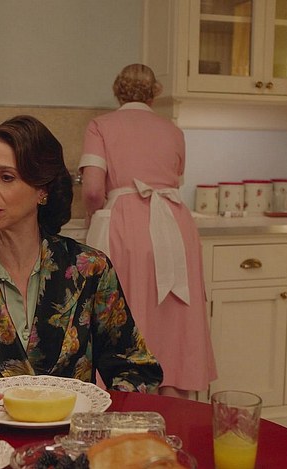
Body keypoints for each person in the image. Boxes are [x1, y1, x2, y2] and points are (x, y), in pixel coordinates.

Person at [0, 115, 163, 415]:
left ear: (42, 190)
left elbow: (135, 369)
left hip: (70, 438)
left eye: (6, 177)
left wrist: (102, 425)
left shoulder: (90, 269)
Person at [79, 64, 217, 398]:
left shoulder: (101, 126)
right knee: (174, 315)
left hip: (127, 226)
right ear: (154, 93)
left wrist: (93, 214)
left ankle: (128, 400)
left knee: (127, 312)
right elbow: (175, 181)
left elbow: (93, 190)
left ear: (117, 90)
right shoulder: (173, 131)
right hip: (175, 226)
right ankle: (175, 406)